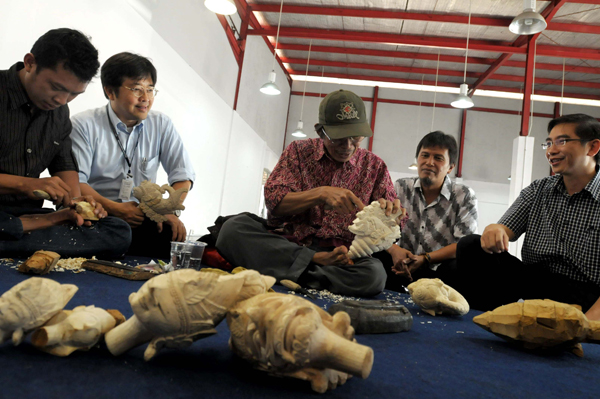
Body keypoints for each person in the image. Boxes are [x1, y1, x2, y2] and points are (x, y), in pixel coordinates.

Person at [216, 89, 405, 297]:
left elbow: (393, 224)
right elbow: (274, 202)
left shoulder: (375, 166)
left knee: (374, 274)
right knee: (232, 229)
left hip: (341, 256)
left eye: (355, 137)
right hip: (290, 244)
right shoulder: (298, 151)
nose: (348, 146)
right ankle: (312, 267)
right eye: (339, 138)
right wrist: (320, 194)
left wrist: (391, 216)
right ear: (320, 131)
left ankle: (290, 272)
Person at [0, 28, 131, 259]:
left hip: (31, 217)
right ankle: (21, 233)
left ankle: (20, 232)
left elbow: (65, 166)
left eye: (73, 94)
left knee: (117, 231)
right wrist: (25, 184)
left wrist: (78, 204)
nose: (62, 100)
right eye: (56, 88)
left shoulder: (59, 113)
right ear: (30, 63)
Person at [455, 113, 600, 317]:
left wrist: (588, 324)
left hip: (584, 294)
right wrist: (494, 230)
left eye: (562, 141)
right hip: (535, 282)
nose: (552, 150)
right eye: (548, 143)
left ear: (593, 148)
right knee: (471, 246)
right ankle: (482, 322)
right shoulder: (538, 189)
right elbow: (504, 228)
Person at [71, 52, 195, 259]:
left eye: (150, 89)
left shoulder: (161, 124)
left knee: (171, 237)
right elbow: (77, 182)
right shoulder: (84, 125)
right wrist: (116, 209)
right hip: (98, 210)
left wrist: (166, 209)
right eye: (136, 89)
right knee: (103, 232)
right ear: (110, 91)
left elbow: (182, 176)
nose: (145, 98)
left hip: (143, 212)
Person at [380, 131, 477, 290]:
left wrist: (425, 259)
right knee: (377, 256)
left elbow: (463, 244)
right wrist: (395, 250)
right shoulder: (400, 187)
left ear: (450, 167)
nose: (429, 162)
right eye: (424, 155)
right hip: (401, 264)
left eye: (438, 158)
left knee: (462, 265)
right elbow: (382, 228)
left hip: (439, 271)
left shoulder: (464, 195)